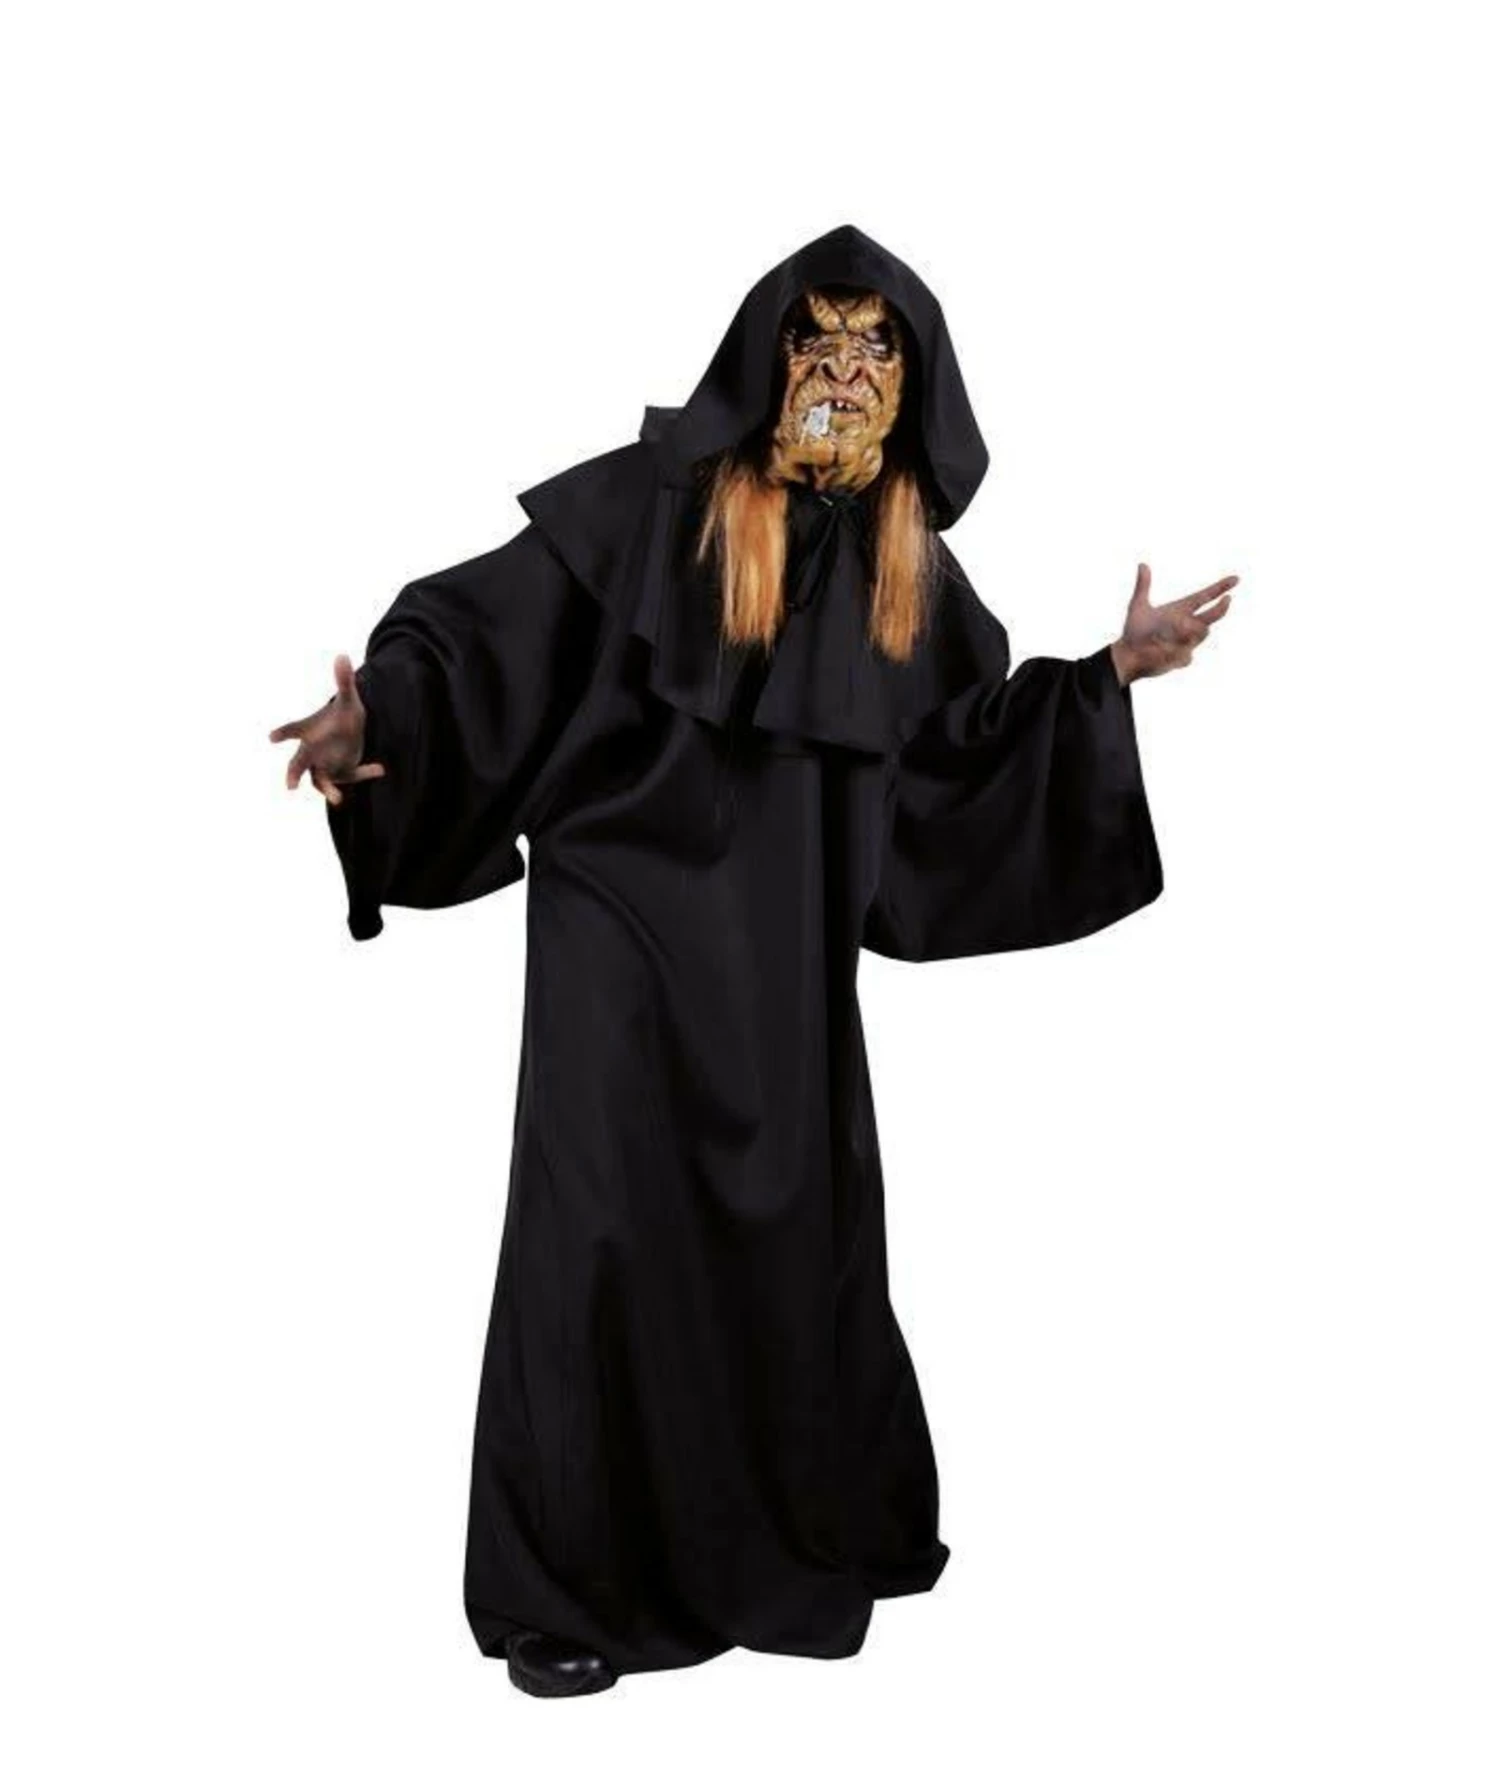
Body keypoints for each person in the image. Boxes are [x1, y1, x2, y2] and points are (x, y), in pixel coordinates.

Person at [269, 226, 1238, 1697]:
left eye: (876, 347)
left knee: (796, 1228)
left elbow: (956, 763)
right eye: (815, 339)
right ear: (762, 356)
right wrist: (373, 726)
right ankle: (565, 1595)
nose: (842, 371)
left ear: (914, 384)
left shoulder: (907, 571)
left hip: (784, 963)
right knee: (597, 1240)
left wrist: (1104, 679)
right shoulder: (645, 509)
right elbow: (473, 640)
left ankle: (803, 1524)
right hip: (618, 939)